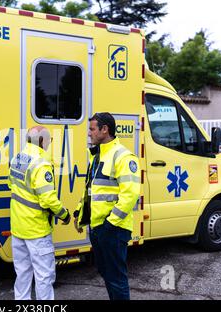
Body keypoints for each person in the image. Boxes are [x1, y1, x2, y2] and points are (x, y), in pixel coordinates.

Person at [73, 113, 141, 300]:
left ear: (105, 130)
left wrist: (110, 225)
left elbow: (130, 195)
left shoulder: (124, 156)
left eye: (92, 129)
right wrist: (80, 213)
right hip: (98, 228)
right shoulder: (96, 155)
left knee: (116, 277)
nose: (89, 133)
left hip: (113, 229)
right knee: (106, 273)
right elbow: (91, 190)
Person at [8, 125, 71, 300]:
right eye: (49, 140)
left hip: (18, 227)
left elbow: (11, 186)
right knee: (44, 276)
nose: (49, 144)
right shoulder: (41, 164)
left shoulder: (17, 159)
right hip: (37, 230)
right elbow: (48, 199)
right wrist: (64, 215)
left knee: (22, 274)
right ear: (42, 141)